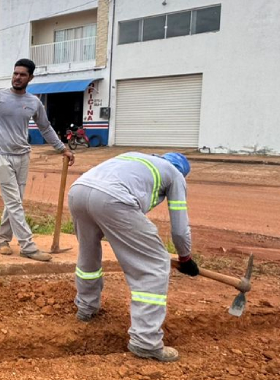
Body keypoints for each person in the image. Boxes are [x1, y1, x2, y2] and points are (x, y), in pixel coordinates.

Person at [68, 151, 199, 362]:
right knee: (155, 264)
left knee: (88, 253)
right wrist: (185, 258)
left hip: (78, 191)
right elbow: (180, 230)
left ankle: (86, 307)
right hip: (113, 198)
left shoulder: (136, 157)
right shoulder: (175, 175)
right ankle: (146, 341)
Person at [0, 58, 74, 261]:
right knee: (14, 202)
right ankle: (27, 246)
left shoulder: (33, 102)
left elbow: (45, 127)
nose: (17, 78)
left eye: (22, 75)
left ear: (30, 77)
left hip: (23, 156)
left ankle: (2, 239)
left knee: (16, 202)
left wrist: (61, 148)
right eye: (15, 73)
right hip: (1, 156)